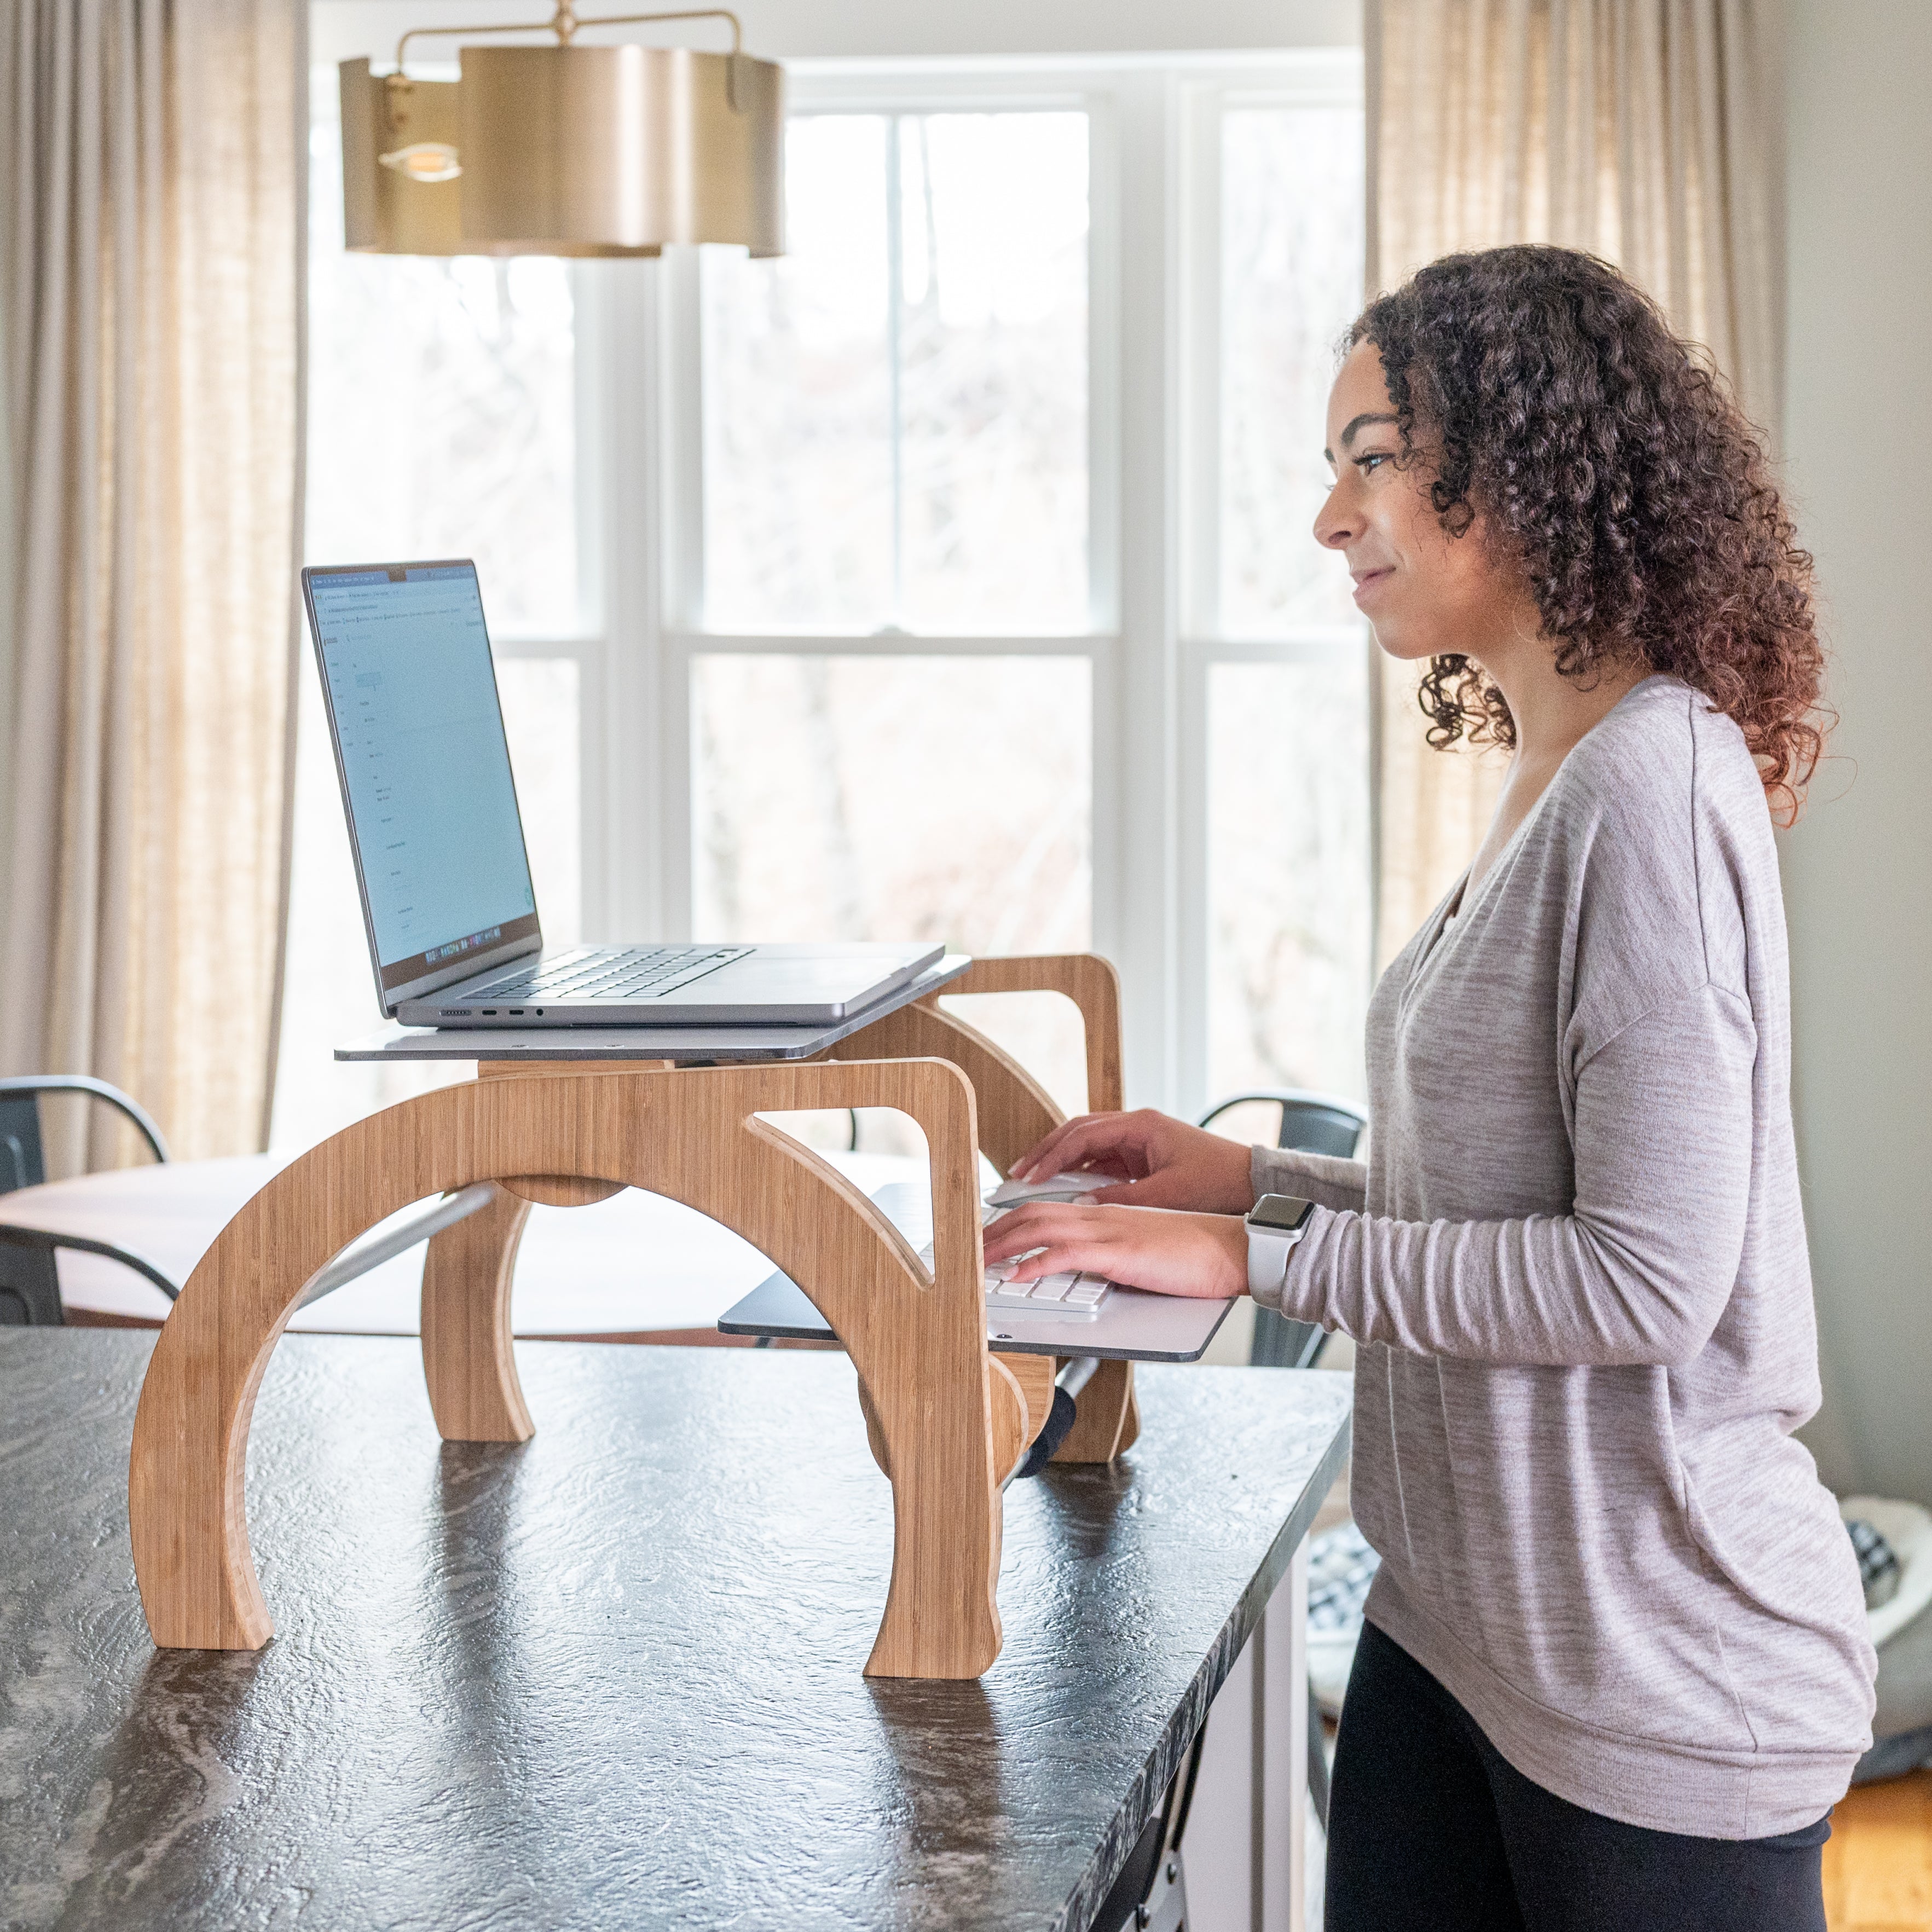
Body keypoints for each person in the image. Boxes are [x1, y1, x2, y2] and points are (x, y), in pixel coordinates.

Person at [986, 245, 1876, 1930]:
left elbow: (1640, 1277)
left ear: (1523, 460)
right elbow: (1498, 1206)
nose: (1331, 514)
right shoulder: (1562, 766)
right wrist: (1234, 1182)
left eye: (1370, 455)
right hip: (1457, 1631)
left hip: (1657, 1690)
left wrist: (1261, 1263)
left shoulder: (1650, 793)